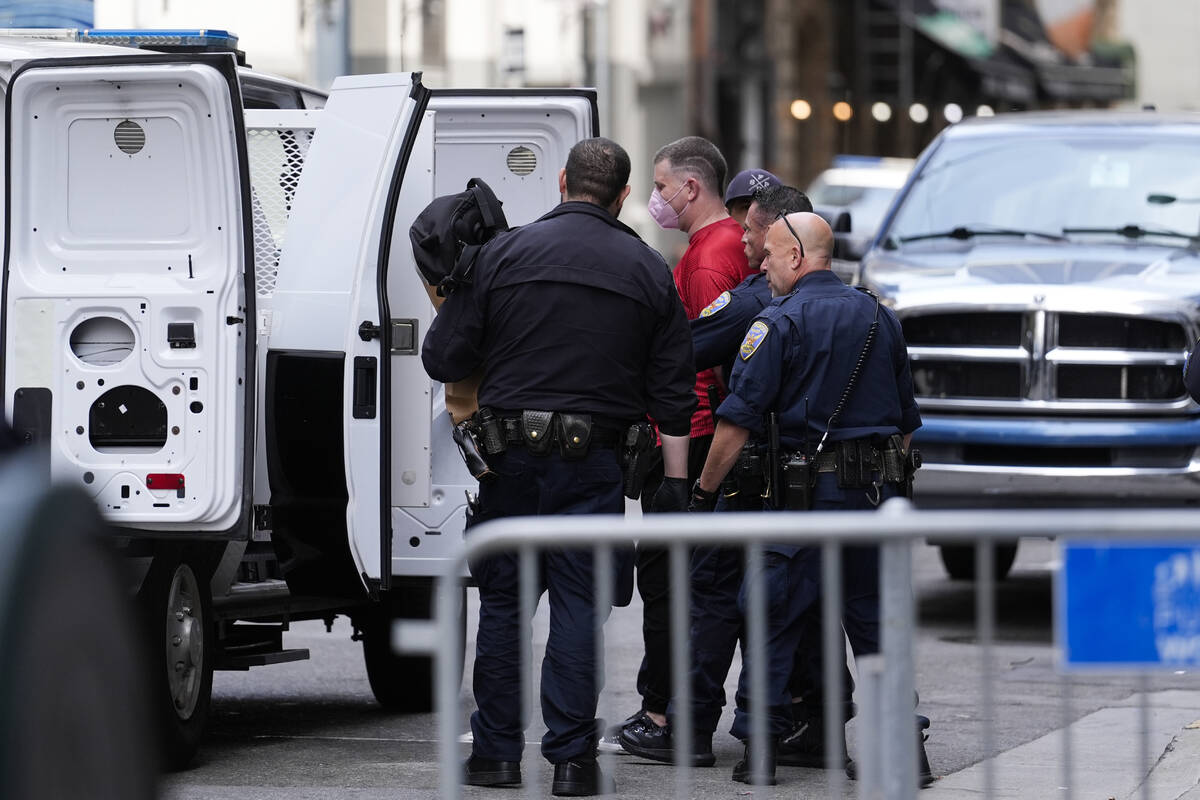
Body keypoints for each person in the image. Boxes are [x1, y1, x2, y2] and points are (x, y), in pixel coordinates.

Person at [421, 137, 695, 797]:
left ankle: (495, 757)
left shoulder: (498, 256)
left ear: (564, 180)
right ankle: (573, 763)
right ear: (624, 194)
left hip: (509, 463)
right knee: (579, 608)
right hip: (595, 466)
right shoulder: (648, 269)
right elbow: (674, 399)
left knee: (507, 605)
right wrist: (678, 488)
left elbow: (442, 358)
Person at [689, 212, 923, 786]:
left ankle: (762, 754)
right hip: (870, 503)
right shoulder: (880, 318)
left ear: (796, 256)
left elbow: (735, 424)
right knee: (876, 628)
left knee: (770, 618)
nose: (759, 264)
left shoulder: (777, 323)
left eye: (767, 254)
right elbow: (908, 425)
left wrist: (704, 493)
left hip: (799, 504)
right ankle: (905, 751)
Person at [619, 183, 815, 769]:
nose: (746, 240)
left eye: (753, 230)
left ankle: (686, 725)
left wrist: (701, 490)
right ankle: (812, 721)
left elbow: (686, 354)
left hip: (749, 477)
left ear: (785, 240)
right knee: (805, 603)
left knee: (711, 598)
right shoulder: (860, 307)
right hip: (819, 487)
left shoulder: (754, 303)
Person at [609, 137, 753, 750]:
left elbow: (709, 368)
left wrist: (683, 473)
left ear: (691, 188)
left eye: (662, 186)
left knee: (672, 583)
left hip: (691, 441)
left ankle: (666, 714)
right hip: (698, 438)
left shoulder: (709, 260)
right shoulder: (715, 248)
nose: (656, 198)